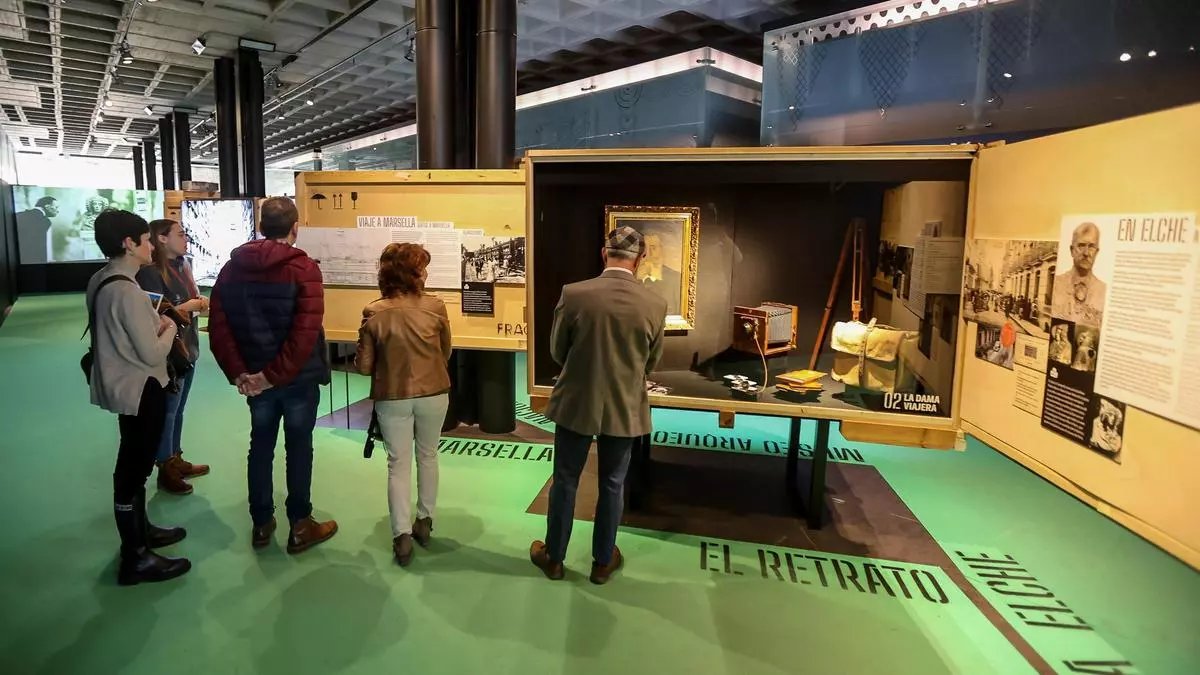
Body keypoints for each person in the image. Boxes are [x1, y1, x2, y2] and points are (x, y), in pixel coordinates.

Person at [530, 225, 667, 585]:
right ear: (639, 260)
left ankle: (554, 558)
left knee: (565, 480)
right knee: (613, 483)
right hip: (625, 404)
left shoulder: (574, 294)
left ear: (604, 254)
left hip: (577, 400)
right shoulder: (655, 304)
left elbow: (557, 350)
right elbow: (651, 362)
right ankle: (603, 562)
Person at [208, 197, 337, 554]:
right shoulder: (304, 269)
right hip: (296, 380)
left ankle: (262, 523)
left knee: (261, 446)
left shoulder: (230, 270)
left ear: (261, 226)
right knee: (299, 447)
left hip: (254, 378)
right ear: (295, 227)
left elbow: (218, 328)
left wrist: (241, 373)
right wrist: (272, 375)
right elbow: (304, 334)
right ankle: (300, 525)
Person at [85, 210, 191, 586]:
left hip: (124, 384)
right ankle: (136, 557)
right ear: (129, 244)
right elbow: (151, 352)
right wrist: (170, 325)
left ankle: (140, 535)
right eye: (146, 240)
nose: (151, 246)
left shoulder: (102, 280)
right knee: (134, 469)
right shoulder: (127, 291)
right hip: (142, 388)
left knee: (133, 465)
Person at [355, 243, 452, 567]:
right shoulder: (436, 306)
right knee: (428, 455)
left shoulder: (374, 311)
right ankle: (424, 522)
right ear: (413, 274)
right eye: (421, 268)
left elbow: (364, 367)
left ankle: (402, 537)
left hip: (392, 396)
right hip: (434, 391)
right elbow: (445, 352)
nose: (426, 273)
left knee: (397, 464)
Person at [136, 219, 211, 495]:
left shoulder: (183, 266)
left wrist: (197, 303)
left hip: (188, 349)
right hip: (169, 354)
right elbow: (154, 315)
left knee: (178, 410)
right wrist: (189, 306)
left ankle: (175, 457)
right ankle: (165, 467)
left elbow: (190, 301)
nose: (186, 238)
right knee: (168, 412)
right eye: (180, 234)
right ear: (162, 238)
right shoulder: (149, 274)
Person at [1051, 222, 1106, 328]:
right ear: (1072, 250)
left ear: (1097, 252)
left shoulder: (1103, 290)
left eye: (1091, 247)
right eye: (1081, 245)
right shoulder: (1057, 284)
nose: (1086, 253)